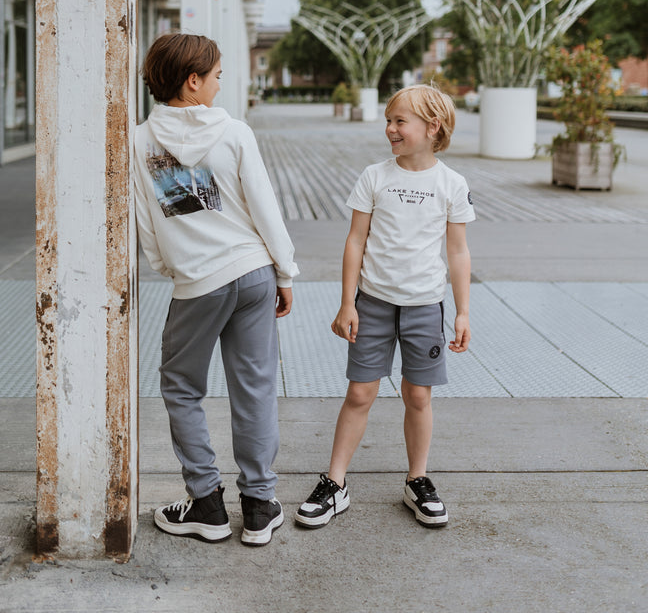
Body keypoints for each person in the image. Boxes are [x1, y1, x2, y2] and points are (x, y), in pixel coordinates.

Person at [134, 32, 299, 546]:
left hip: (197, 284)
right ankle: (258, 505)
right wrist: (284, 271)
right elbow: (264, 207)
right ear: (193, 80)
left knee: (181, 387)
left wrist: (172, 266)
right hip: (252, 273)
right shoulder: (235, 133)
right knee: (254, 387)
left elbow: (145, 220)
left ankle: (206, 503)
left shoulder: (140, 141)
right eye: (218, 75)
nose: (220, 83)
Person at [295, 84, 474, 530]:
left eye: (400, 121)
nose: (390, 129)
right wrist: (346, 303)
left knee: (418, 395)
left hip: (424, 307)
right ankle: (335, 483)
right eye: (389, 120)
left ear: (433, 128)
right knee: (360, 393)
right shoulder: (375, 176)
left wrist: (463, 311)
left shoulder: (451, 184)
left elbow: (458, 252)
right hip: (372, 304)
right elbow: (355, 242)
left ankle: (418, 479)